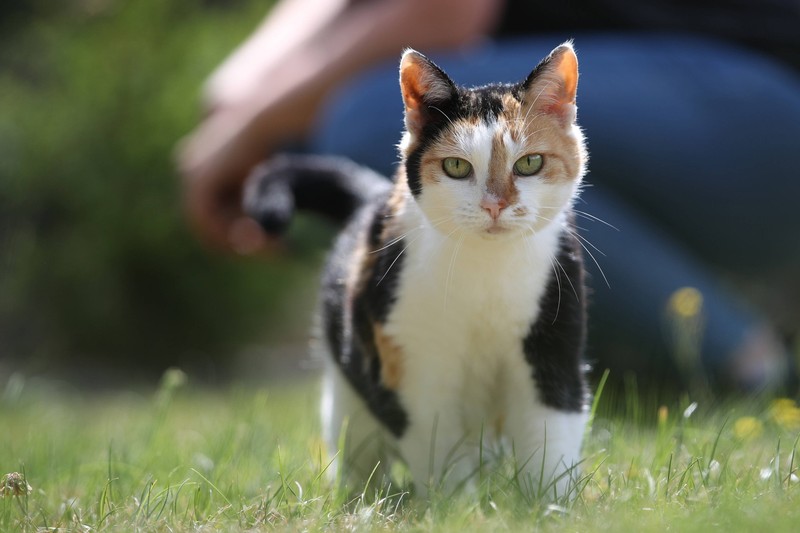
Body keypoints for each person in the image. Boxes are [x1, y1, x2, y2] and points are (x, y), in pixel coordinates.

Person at [177, 0, 800, 392]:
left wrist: (252, 126)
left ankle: (746, 362)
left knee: (373, 122)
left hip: (764, 101)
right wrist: (242, 101)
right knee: (316, 136)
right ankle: (613, 371)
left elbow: (443, 13)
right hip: (715, 108)